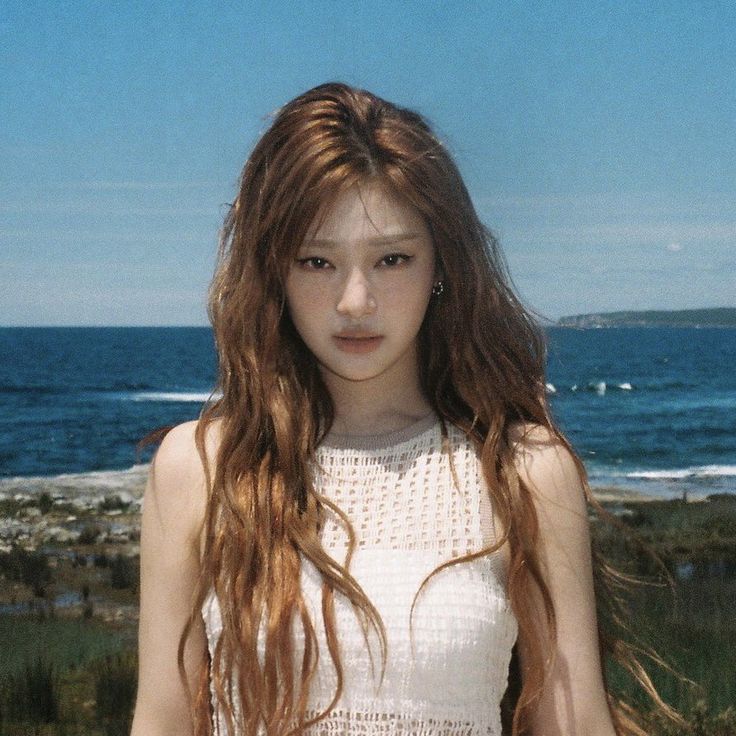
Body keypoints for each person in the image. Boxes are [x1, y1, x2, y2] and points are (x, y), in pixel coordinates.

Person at [130, 83, 665, 736]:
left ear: (440, 266)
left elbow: (574, 724)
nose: (355, 300)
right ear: (275, 272)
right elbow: (162, 719)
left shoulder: (523, 472)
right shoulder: (201, 468)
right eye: (318, 260)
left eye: (391, 259)